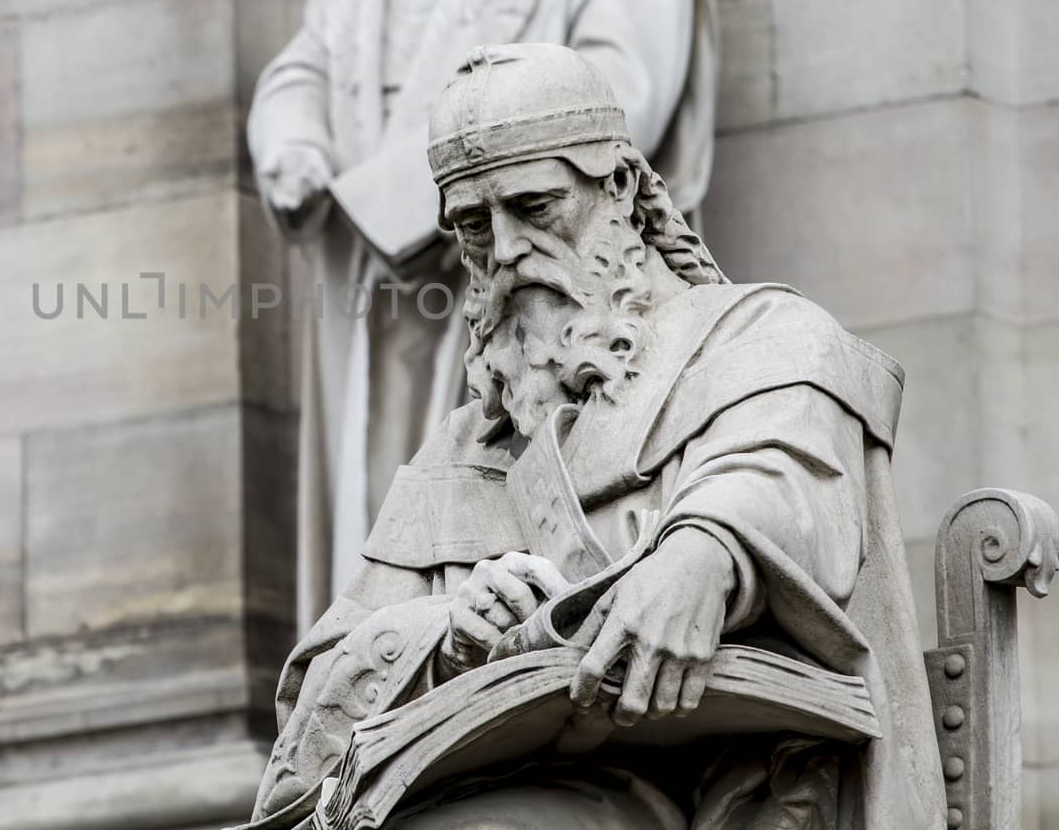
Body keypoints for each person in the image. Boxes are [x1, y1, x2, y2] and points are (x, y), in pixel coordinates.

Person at [241, 44, 944, 829]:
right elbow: (314, 697)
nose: (505, 251)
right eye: (474, 225)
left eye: (534, 207)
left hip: (727, 791)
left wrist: (702, 555)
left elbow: (780, 480)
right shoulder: (462, 445)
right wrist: (446, 637)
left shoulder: (761, 337)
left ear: (617, 189)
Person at [249, 0, 717, 624]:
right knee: (382, 533)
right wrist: (291, 140)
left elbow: (620, 97)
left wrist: (417, 194)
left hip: (525, 276)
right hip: (373, 287)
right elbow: (313, 56)